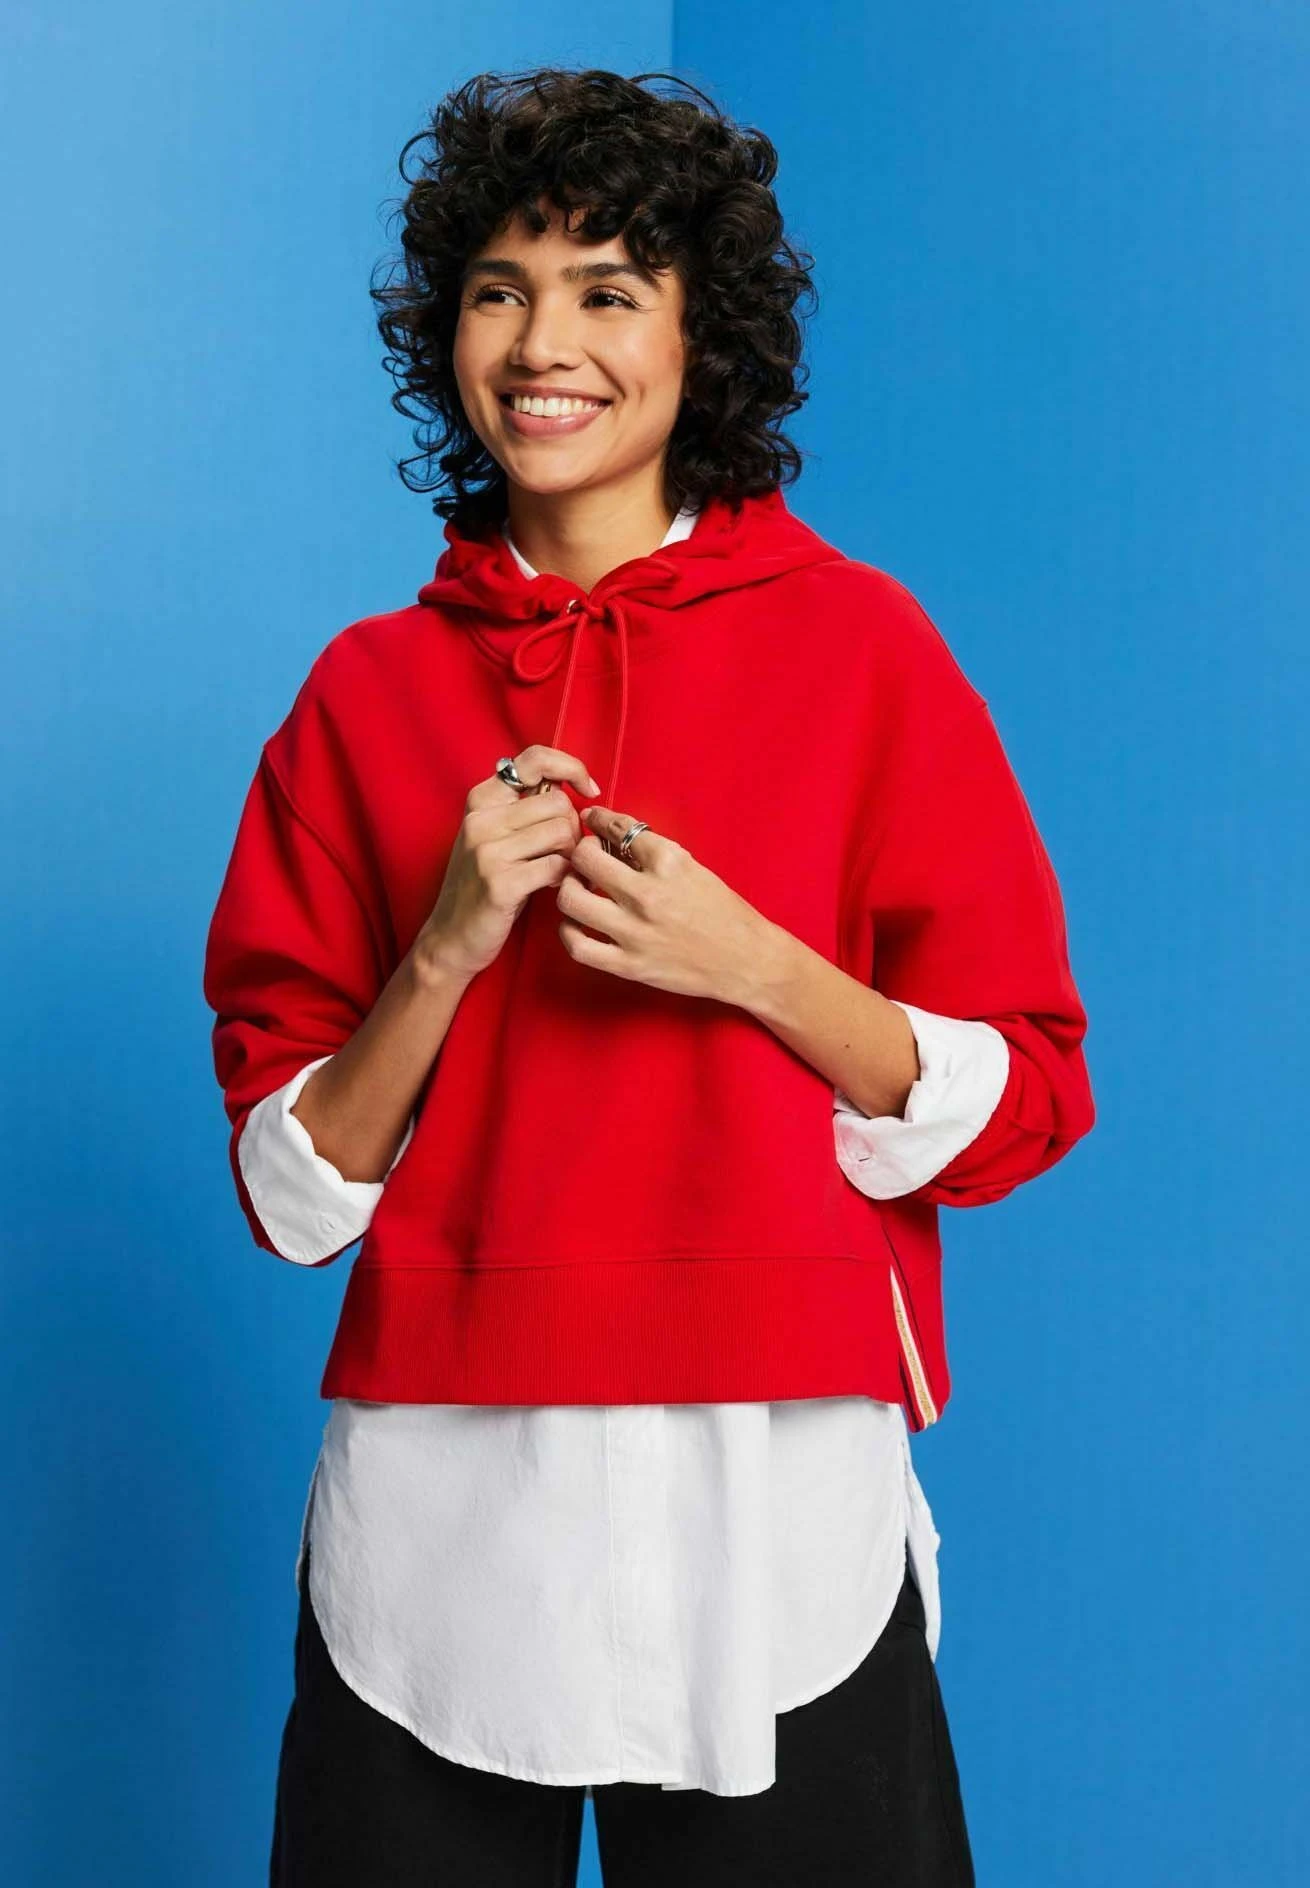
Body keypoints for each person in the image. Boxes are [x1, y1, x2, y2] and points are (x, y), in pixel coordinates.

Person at [203, 66, 1095, 1888]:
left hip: (773, 1486)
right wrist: (445, 950)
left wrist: (752, 965)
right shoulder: (363, 695)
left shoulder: (865, 653)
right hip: (444, 1491)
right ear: (447, 331)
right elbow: (290, 1198)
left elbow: (1024, 1098)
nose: (544, 345)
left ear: (706, 342)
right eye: (499, 289)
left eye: (608, 291)